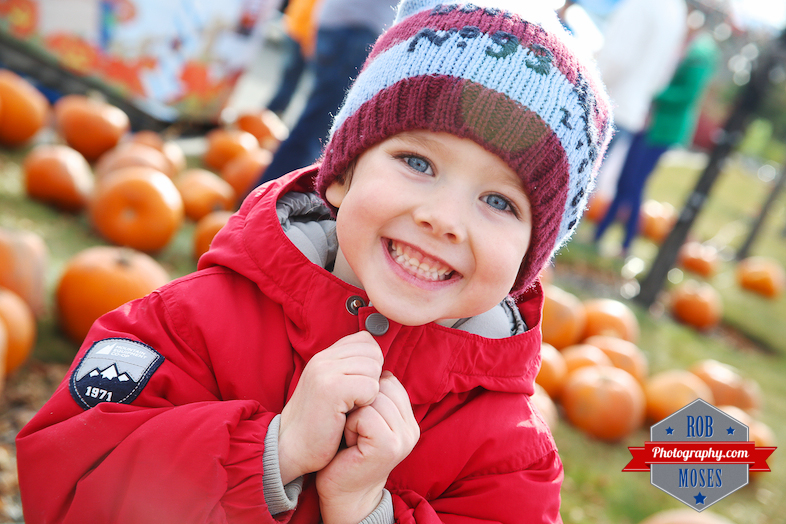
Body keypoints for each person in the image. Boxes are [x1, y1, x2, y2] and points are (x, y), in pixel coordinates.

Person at [16, 1, 612, 522]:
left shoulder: (510, 457)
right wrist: (273, 451)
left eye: (498, 201)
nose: (445, 219)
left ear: (531, 260)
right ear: (342, 176)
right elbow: (68, 487)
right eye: (419, 163)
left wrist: (366, 511)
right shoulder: (191, 321)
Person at [594, 11, 719, 254]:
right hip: (647, 121)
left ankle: (626, 242)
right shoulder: (682, 43)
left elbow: (685, 95)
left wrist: (651, 93)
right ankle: (600, 234)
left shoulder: (701, 54)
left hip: (663, 128)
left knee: (635, 183)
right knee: (624, 180)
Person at [255, 0, 398, 185]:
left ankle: (268, 195)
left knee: (318, 128)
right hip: (354, 28)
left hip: (342, 24)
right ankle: (268, 199)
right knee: (316, 131)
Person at [591, 0, 687, 199]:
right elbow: (663, 76)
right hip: (632, 110)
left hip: (605, 102)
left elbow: (617, 58)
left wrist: (589, 86)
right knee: (588, 186)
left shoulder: (643, 3)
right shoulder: (678, 11)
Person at [265, 0, 323, 116]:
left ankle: (273, 112)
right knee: (291, 78)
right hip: (302, 31)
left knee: (290, 77)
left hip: (299, 27)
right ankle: (272, 112)